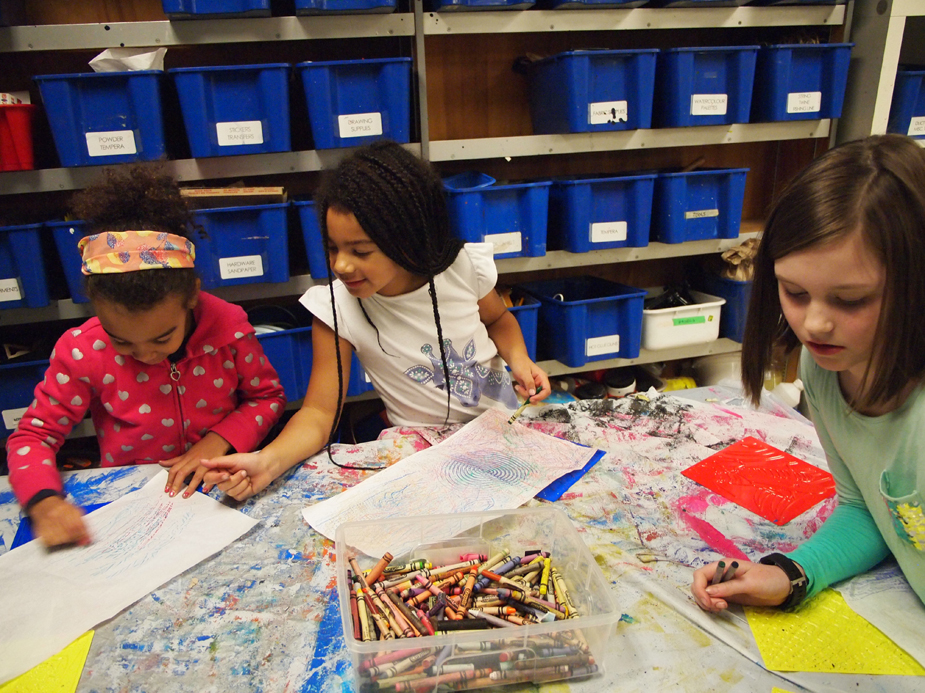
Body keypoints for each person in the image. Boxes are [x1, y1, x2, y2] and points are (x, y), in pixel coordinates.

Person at [203, 140, 550, 500]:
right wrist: (268, 460)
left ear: (408, 240)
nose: (341, 265)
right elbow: (318, 414)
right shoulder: (336, 308)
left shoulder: (461, 268)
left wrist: (521, 361)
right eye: (333, 247)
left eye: (360, 251)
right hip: (423, 454)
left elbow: (499, 321)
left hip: (504, 431)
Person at [691, 134, 925, 612]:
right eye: (795, 292)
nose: (814, 324)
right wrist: (792, 572)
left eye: (851, 299)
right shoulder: (825, 369)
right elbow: (871, 510)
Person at [6, 165, 286, 547]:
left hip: (225, 492)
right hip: (134, 506)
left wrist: (218, 441)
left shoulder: (229, 328)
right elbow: (33, 436)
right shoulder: (82, 350)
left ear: (191, 297)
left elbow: (267, 398)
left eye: (162, 337)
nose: (145, 355)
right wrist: (43, 500)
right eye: (121, 341)